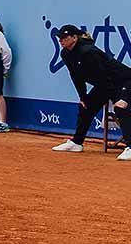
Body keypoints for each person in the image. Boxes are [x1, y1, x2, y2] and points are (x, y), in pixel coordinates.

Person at [50, 25, 131, 158]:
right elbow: (75, 76)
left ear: (74, 38)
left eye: (64, 37)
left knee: (121, 108)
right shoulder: (65, 53)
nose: (61, 40)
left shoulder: (88, 51)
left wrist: (119, 99)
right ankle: (77, 143)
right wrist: (83, 97)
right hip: (105, 84)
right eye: (60, 37)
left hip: (125, 81)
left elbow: (105, 77)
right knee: (85, 106)